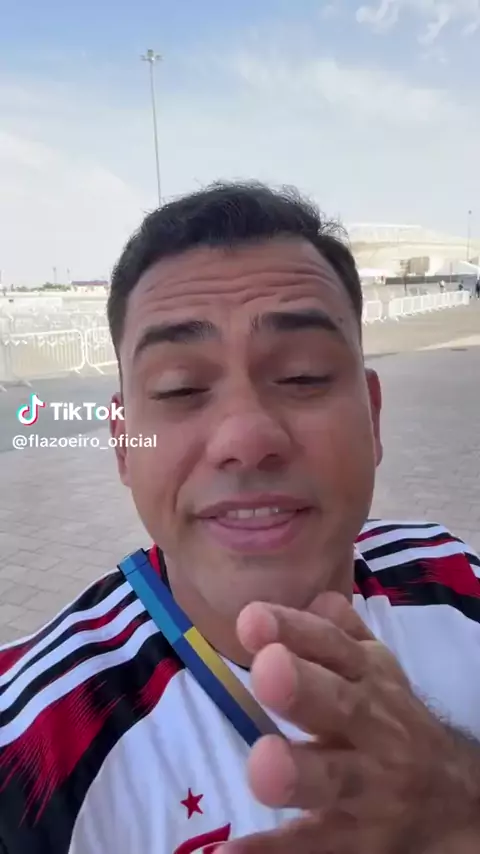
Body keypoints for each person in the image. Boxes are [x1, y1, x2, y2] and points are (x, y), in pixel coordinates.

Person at [1, 183, 480, 854]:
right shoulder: (32, 747)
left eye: (304, 375)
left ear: (373, 417)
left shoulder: (458, 584)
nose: (246, 437)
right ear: (123, 444)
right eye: (179, 388)